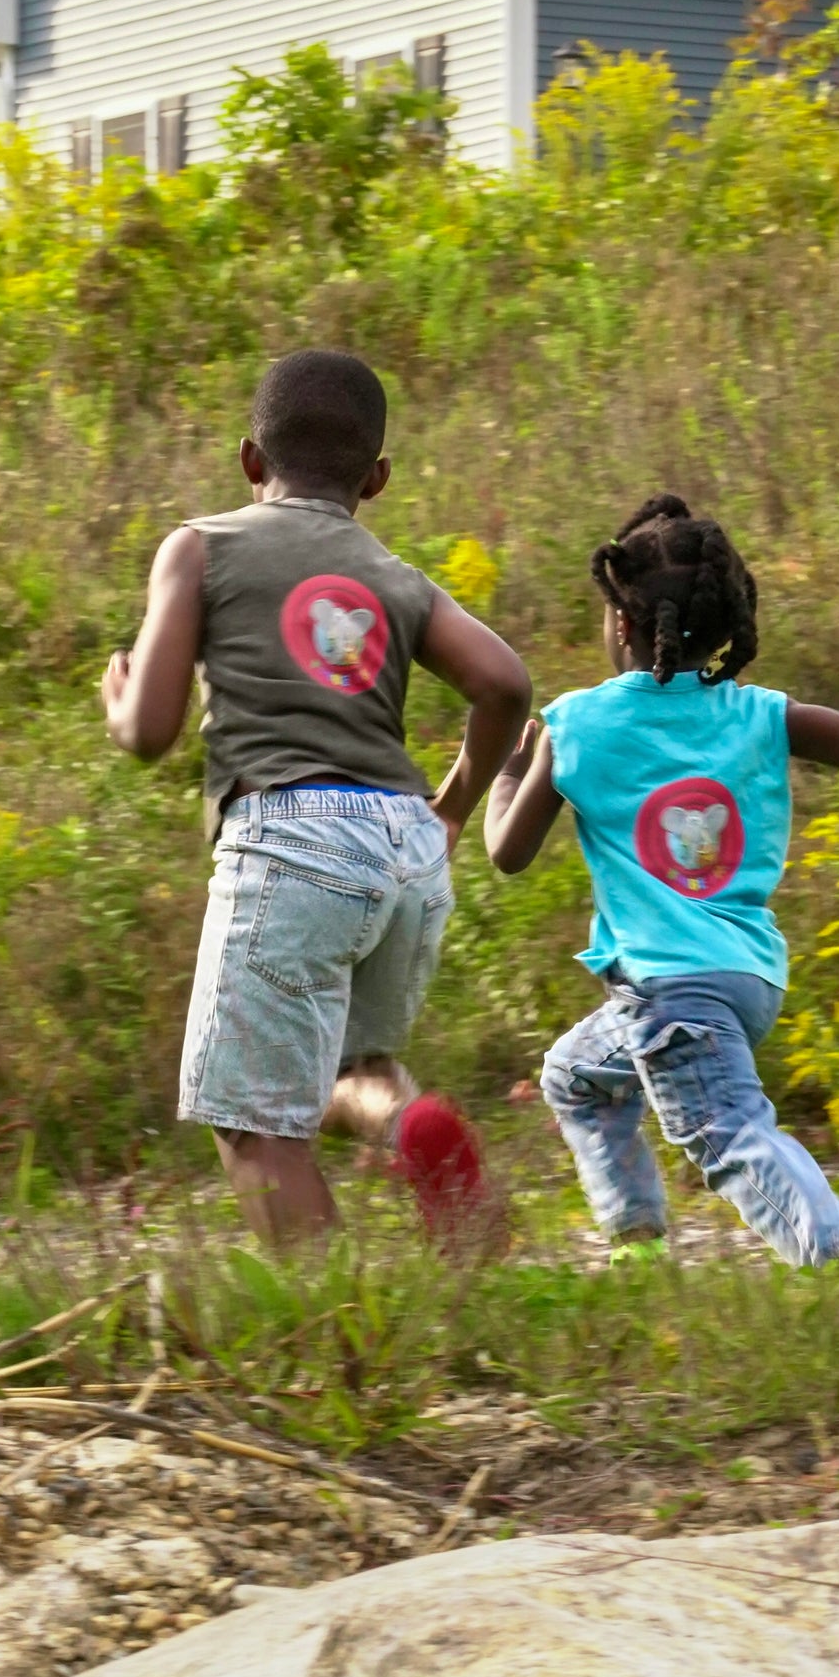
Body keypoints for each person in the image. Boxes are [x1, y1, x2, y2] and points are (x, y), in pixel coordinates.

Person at [484, 491, 839, 1264]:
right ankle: (637, 1242)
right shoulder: (761, 714)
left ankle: (833, 1249)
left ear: (621, 622)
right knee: (578, 1077)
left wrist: (509, 768)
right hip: (748, 980)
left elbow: (507, 853)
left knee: (727, 1134)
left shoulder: (576, 725)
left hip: (668, 990)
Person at [103, 349, 530, 1249]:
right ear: (377, 478)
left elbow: (150, 731)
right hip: (405, 848)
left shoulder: (201, 546)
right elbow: (503, 684)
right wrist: (449, 808)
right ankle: (410, 1125)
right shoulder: (397, 575)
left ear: (250, 460)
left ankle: (337, 1333)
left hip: (290, 837)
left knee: (255, 1128)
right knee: (349, 1067)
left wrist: (119, 702)